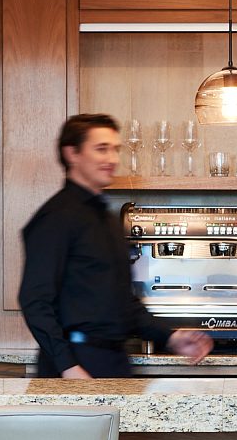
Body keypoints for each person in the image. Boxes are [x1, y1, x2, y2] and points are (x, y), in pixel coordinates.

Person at [19, 113, 212, 378]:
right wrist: (67, 366)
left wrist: (171, 337)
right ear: (72, 153)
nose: (112, 159)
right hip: (75, 366)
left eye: (115, 149)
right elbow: (34, 300)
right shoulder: (55, 217)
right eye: (101, 149)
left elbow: (123, 302)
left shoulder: (107, 219)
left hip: (113, 362)